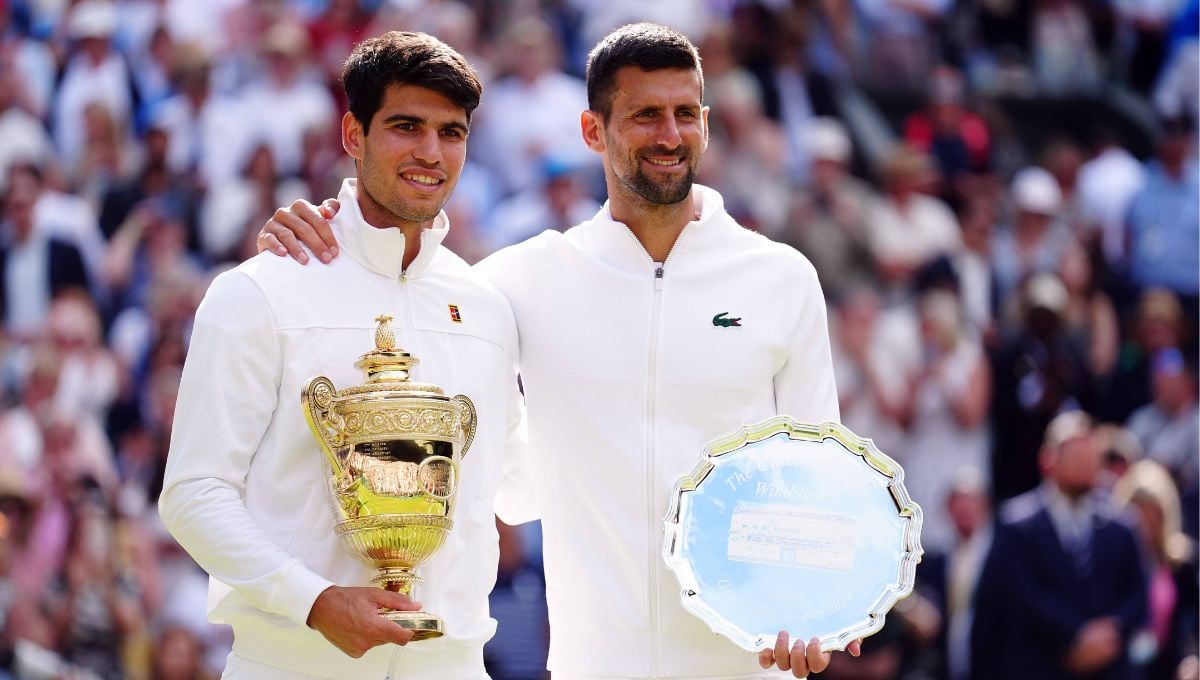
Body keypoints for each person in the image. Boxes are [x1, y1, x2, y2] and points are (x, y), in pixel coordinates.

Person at [258, 22, 861, 680]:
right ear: (593, 131)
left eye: (685, 114)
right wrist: (328, 234)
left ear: (707, 125)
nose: (669, 135)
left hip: (751, 667)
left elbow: (818, 477)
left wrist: (821, 608)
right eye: (644, 115)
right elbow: (400, 290)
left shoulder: (782, 279)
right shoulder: (519, 281)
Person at [159, 32, 527, 679]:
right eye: (406, 127)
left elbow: (521, 486)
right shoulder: (259, 291)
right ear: (352, 136)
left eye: (451, 132)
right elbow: (194, 493)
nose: (430, 152)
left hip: (451, 663)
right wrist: (316, 602)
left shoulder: (487, 308)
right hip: (294, 662)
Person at [970, 411, 1148, 680]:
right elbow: (1015, 597)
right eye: (1075, 457)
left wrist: (1110, 632)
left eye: (1091, 458)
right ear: (1047, 461)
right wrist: (1076, 636)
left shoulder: (1122, 526)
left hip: (1108, 670)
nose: (1085, 465)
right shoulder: (1016, 527)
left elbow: (1138, 595)